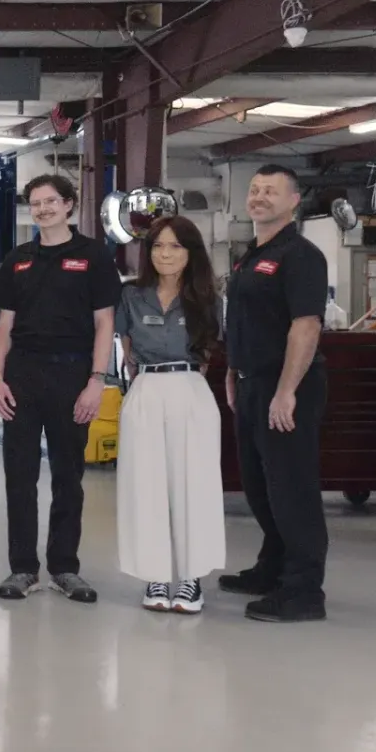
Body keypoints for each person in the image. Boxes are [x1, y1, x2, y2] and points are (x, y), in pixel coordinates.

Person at [0, 174, 121, 604]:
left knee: (69, 476)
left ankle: (65, 567)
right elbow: (3, 325)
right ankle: (22, 567)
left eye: (51, 201)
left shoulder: (94, 256)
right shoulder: (18, 258)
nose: (42, 209)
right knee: (19, 476)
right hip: (22, 374)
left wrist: (96, 382)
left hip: (72, 376)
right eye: (36, 203)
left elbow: (105, 323)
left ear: (69, 206)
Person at [219, 164, 329, 623]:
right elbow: (245, 319)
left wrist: (286, 392)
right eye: (255, 189)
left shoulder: (300, 256)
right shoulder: (250, 254)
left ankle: (304, 591)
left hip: (284, 386)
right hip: (249, 383)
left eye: (271, 191)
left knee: (292, 489)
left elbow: (306, 326)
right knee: (260, 487)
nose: (259, 197)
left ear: (293, 201)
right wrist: (232, 369)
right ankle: (273, 568)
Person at [116, 216, 225, 614]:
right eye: (158, 246)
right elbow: (125, 348)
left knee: (193, 485)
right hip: (146, 389)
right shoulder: (130, 296)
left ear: (190, 252)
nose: (165, 253)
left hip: (190, 390)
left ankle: (192, 579)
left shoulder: (208, 298)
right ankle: (156, 576)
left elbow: (212, 350)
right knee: (144, 485)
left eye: (175, 246)